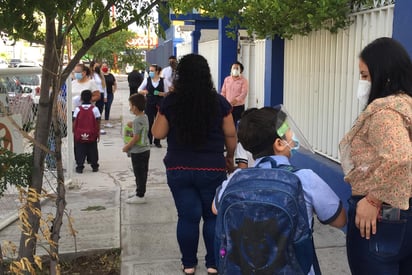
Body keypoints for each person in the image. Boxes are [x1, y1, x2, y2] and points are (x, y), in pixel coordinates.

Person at [213, 107, 347, 275]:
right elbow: (339, 220)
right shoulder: (305, 178)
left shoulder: (236, 178)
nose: (292, 134)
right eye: (288, 131)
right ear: (279, 143)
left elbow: (215, 207)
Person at [152, 54, 237, 275]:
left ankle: (188, 265)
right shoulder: (219, 102)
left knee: (188, 217)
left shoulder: (171, 101)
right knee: (212, 216)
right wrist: (230, 157)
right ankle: (213, 264)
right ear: (206, 75)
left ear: (181, 75)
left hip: (179, 169)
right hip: (212, 168)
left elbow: (158, 133)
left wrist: (162, 109)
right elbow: (230, 135)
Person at [339, 37, 412, 275]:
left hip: (382, 218)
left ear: (384, 76)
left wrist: (373, 199)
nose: (362, 83)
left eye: (365, 75)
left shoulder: (385, 112)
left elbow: (400, 156)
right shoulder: (407, 106)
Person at [122, 93, 150, 204]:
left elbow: (136, 137)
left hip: (138, 152)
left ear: (134, 107)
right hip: (145, 150)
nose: (130, 108)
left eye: (130, 105)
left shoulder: (137, 121)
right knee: (143, 173)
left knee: (139, 174)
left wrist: (127, 147)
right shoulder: (144, 117)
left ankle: (140, 195)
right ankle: (140, 191)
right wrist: (132, 124)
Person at [138, 64, 170, 148]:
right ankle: (149, 140)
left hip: (159, 103)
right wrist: (144, 92)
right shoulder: (147, 80)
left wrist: (161, 93)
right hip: (149, 102)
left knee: (158, 121)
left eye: (152, 71)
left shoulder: (163, 81)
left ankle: (157, 140)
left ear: (157, 72)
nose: (150, 72)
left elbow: (168, 92)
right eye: (150, 71)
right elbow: (139, 89)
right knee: (149, 121)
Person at [72, 90, 101, 173]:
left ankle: (80, 166)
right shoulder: (95, 109)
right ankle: (94, 165)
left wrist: (74, 131)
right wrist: (98, 133)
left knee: (80, 150)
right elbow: (98, 121)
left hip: (80, 133)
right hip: (92, 133)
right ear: (91, 98)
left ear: (81, 99)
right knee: (93, 149)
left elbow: (74, 121)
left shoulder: (77, 109)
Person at [220, 61, 249, 126]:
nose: (235, 70)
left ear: (241, 71)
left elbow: (244, 93)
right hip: (227, 106)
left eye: (237, 68)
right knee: (227, 123)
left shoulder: (244, 81)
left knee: (237, 124)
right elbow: (223, 91)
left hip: (238, 107)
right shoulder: (227, 79)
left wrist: (235, 100)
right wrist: (223, 101)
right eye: (234, 68)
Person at [90, 61, 107, 134]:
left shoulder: (100, 74)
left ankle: (98, 127)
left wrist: (105, 96)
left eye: (98, 66)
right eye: (95, 66)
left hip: (101, 93)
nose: (97, 67)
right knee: (92, 110)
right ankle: (92, 126)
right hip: (93, 94)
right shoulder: (90, 75)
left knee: (99, 111)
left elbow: (104, 86)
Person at [101, 62, 117, 127]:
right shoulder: (100, 76)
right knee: (101, 108)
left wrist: (114, 90)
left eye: (106, 66)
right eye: (103, 66)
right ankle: (98, 122)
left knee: (108, 107)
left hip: (110, 94)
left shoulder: (111, 75)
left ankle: (106, 121)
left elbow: (114, 83)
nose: (105, 67)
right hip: (102, 94)